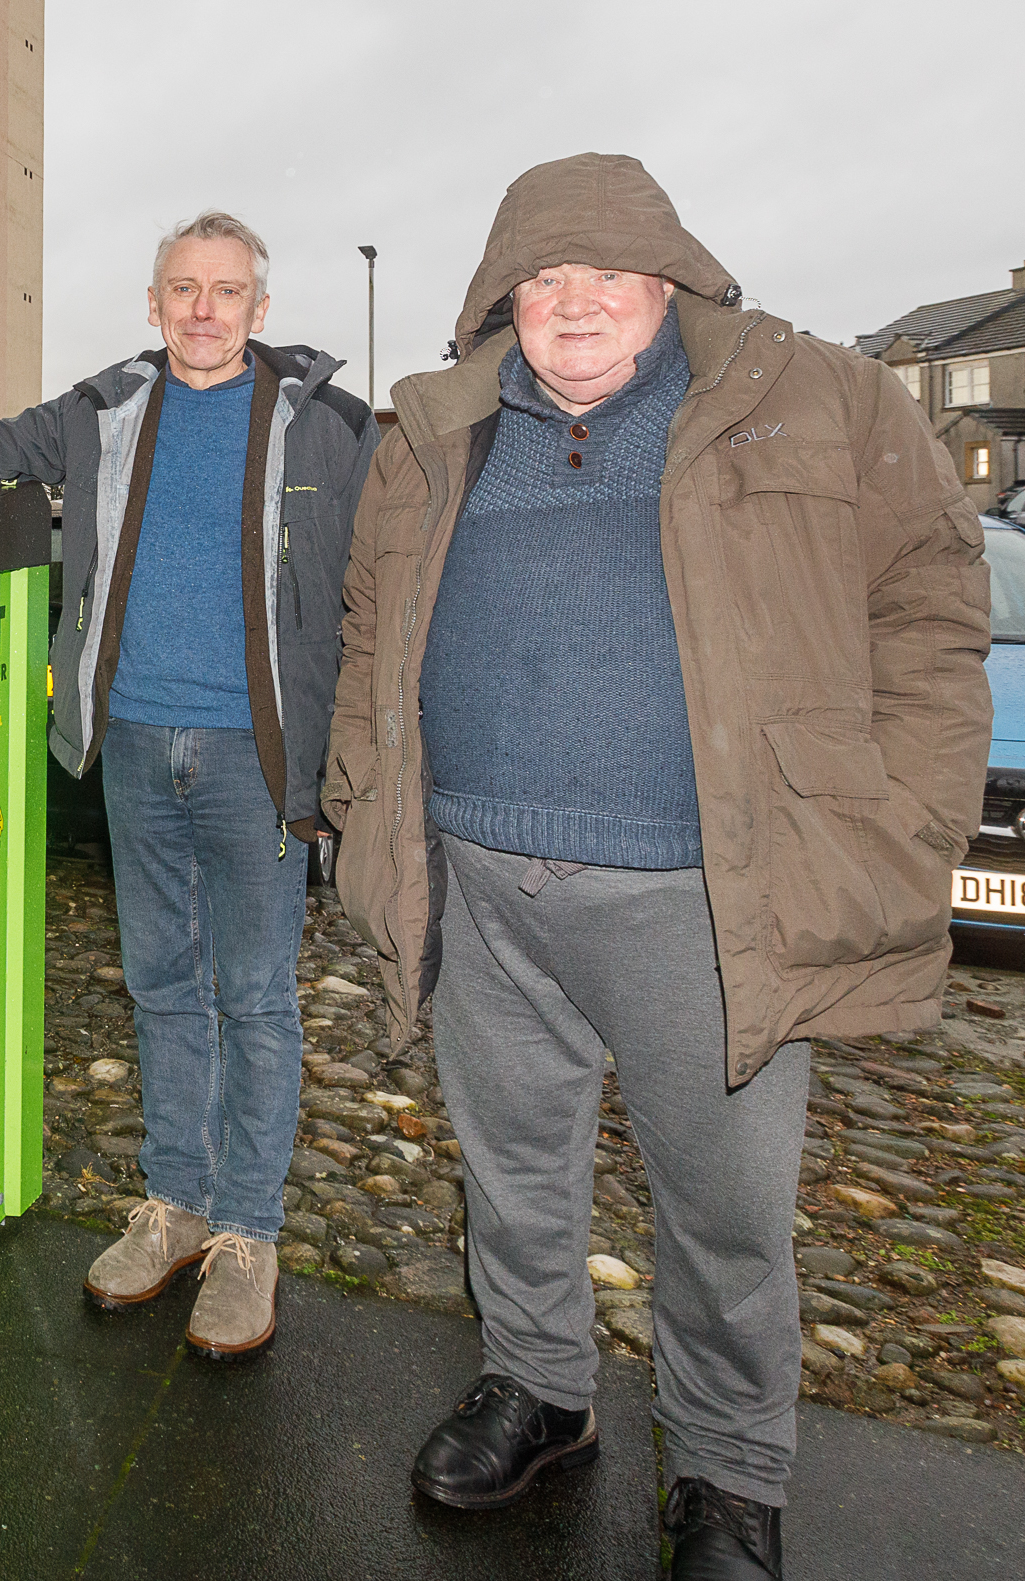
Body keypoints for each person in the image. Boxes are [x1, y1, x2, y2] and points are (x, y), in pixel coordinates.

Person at [324, 154, 989, 1580]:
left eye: (607, 275)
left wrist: (907, 828)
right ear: (503, 297)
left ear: (671, 283)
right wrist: (364, 797)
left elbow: (933, 606)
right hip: (484, 886)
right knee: (511, 1175)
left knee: (726, 1211)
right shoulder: (435, 429)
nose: (574, 305)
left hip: (709, 901)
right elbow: (372, 624)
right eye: (543, 279)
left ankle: (732, 1472)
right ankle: (541, 1389)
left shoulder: (816, 396)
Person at [0, 211, 377, 1358]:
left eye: (226, 291)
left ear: (260, 309)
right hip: (135, 743)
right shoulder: (104, 411)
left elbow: (378, 590)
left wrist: (354, 756)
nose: (203, 309)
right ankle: (177, 1205)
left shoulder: (325, 427)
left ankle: (249, 1234)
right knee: (160, 983)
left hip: (260, 756)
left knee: (259, 997)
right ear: (153, 300)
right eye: (183, 288)